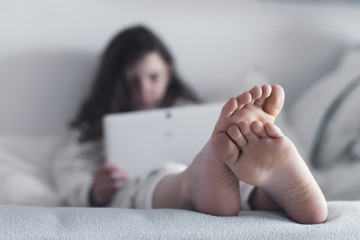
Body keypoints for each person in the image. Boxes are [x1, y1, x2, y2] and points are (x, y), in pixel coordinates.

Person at [53, 25, 327, 224]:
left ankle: (270, 190)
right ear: (112, 82)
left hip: (213, 179)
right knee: (167, 178)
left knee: (238, 176)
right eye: (131, 81)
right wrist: (91, 191)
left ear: (168, 72)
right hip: (135, 187)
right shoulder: (93, 129)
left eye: (152, 77)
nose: (143, 89)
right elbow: (68, 171)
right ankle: (199, 181)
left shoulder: (188, 112)